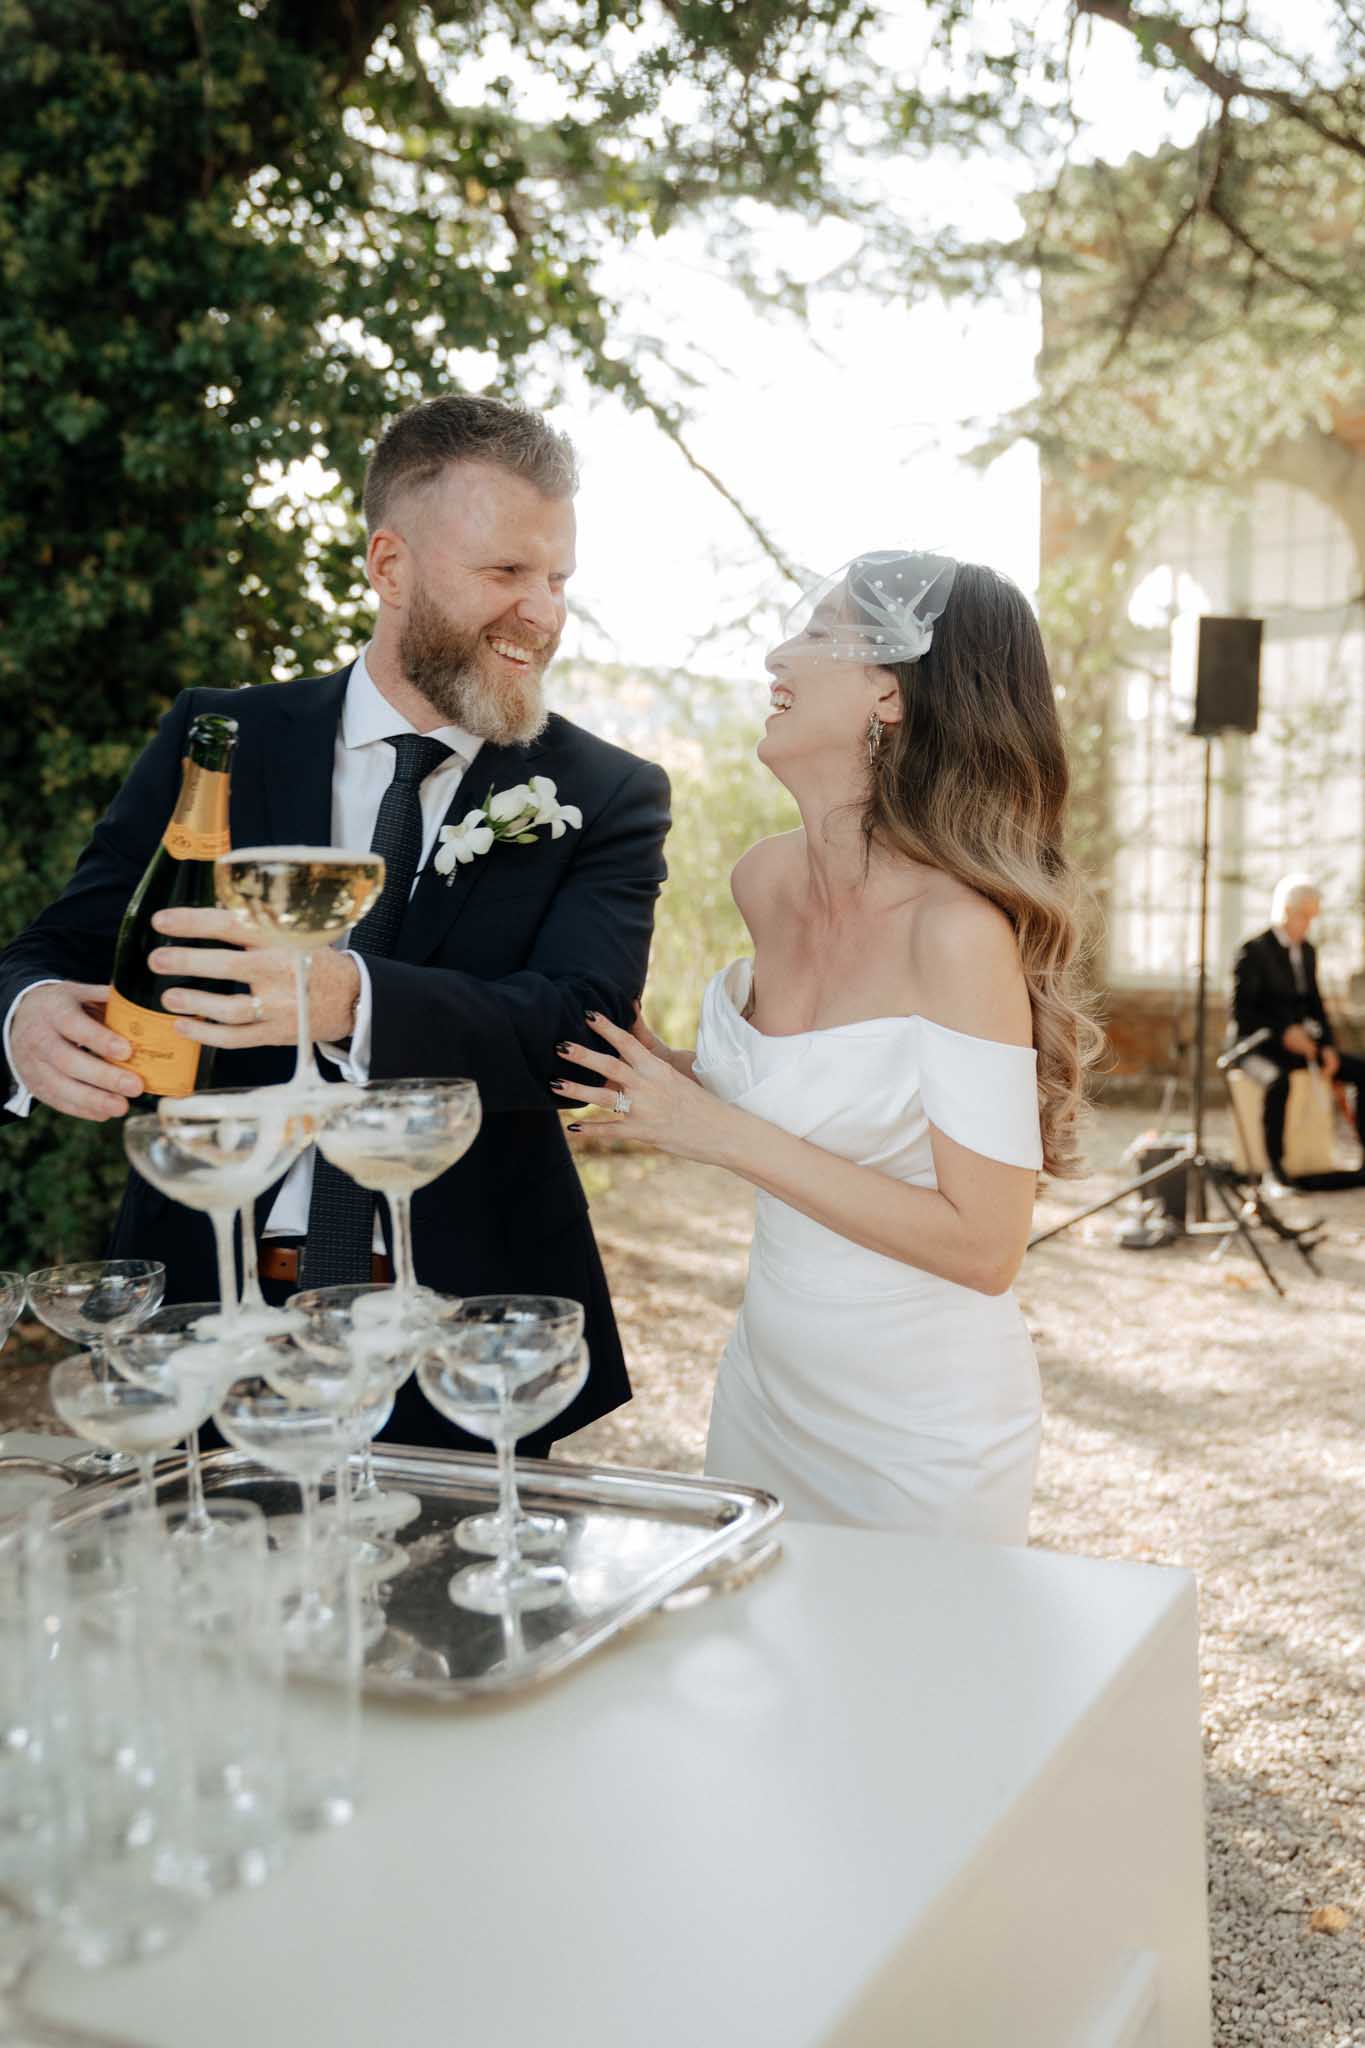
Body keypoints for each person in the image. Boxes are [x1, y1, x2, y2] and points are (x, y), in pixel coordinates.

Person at [0, 394, 671, 1452]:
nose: (542, 612)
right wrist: (28, 1015)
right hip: (208, 1310)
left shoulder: (607, 789)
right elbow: (62, 947)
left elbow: (576, 1035)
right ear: (390, 565)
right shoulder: (222, 734)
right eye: (506, 573)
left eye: (557, 579)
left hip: (463, 1333)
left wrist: (351, 998)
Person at [552, 551, 1099, 1543]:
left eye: (814, 634)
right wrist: (636, 1062)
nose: (777, 653)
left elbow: (986, 1245)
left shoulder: (954, 931)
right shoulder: (764, 880)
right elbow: (785, 1088)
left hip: (922, 1432)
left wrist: (713, 1132)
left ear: (888, 690)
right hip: (766, 1389)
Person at [1229, 875, 1364, 1182]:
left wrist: (1327, 1045)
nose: (1309, 925)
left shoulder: (1307, 952)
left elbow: (1315, 1004)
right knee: (1278, 1082)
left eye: (1313, 918)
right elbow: (1242, 1014)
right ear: (1287, 910)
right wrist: (1283, 1032)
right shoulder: (1253, 951)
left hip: (1301, 1045)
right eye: (1306, 916)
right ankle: (1275, 1172)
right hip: (1256, 1047)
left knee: (1360, 1071)